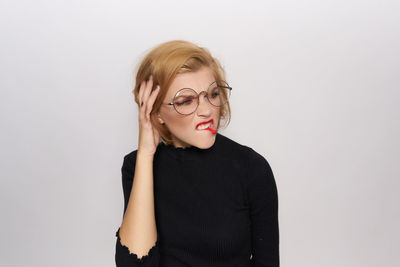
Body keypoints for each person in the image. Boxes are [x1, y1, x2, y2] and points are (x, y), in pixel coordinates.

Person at [115, 40, 279, 267]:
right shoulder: (137, 166)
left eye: (212, 94)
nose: (207, 110)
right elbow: (134, 265)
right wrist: (145, 154)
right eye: (186, 100)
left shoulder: (251, 168)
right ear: (155, 111)